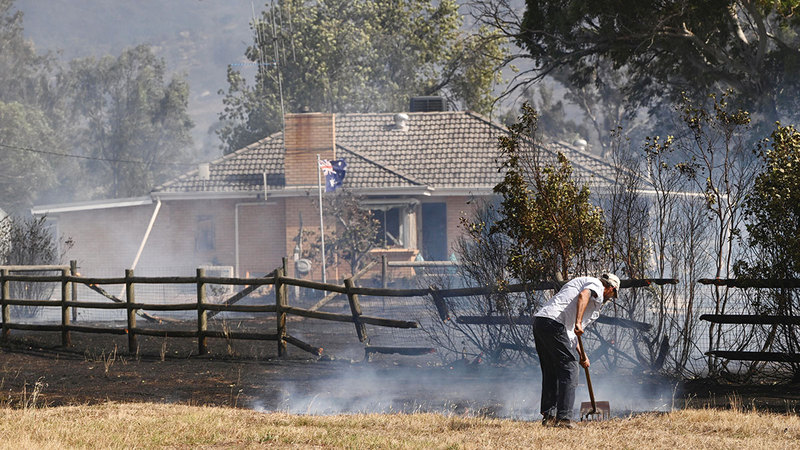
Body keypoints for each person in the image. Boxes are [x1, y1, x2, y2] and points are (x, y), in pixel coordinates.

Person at [532, 273, 620, 428]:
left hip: (541, 322)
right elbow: (583, 295)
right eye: (613, 294)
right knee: (570, 368)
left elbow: (571, 335)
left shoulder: (583, 284)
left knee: (551, 370)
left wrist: (583, 356)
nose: (610, 298)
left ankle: (549, 417)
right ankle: (564, 419)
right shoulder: (596, 285)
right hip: (555, 323)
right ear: (610, 288)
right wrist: (579, 322)